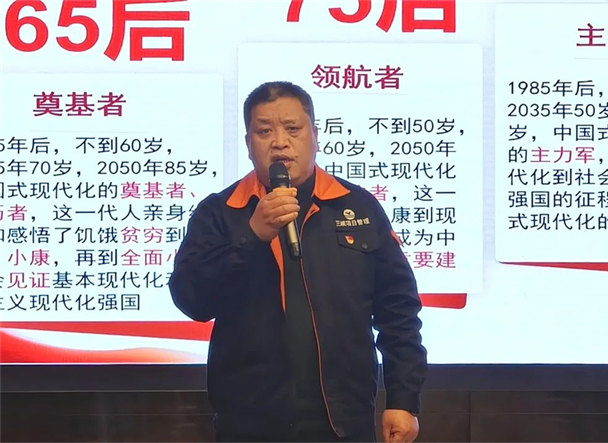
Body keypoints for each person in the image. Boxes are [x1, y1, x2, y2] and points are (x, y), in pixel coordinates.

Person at [169, 81, 427, 442]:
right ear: (248, 144)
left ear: (315, 135)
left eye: (292, 128)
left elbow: (398, 309)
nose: (279, 142)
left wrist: (403, 399)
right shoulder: (221, 212)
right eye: (264, 131)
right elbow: (193, 300)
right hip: (249, 424)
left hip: (342, 421)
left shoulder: (357, 207)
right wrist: (252, 235)